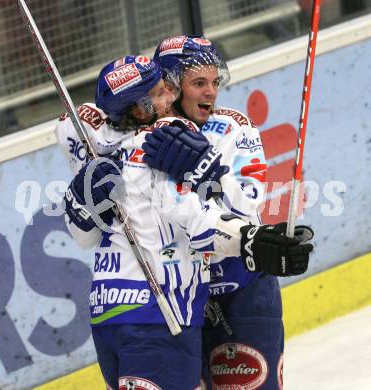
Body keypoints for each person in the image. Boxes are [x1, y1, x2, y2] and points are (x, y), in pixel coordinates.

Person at [55, 55, 313, 389]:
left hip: (109, 313)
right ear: (139, 109)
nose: (171, 96)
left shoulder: (97, 144)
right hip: (160, 317)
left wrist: (78, 197)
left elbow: (71, 124)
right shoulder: (163, 141)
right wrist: (254, 241)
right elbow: (198, 223)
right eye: (163, 91)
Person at [142, 35, 312, 389]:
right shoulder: (148, 136)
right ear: (171, 87)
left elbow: (246, 206)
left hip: (242, 288)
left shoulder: (234, 126)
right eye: (199, 83)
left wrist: (208, 171)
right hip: (182, 299)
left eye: (215, 82)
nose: (211, 93)